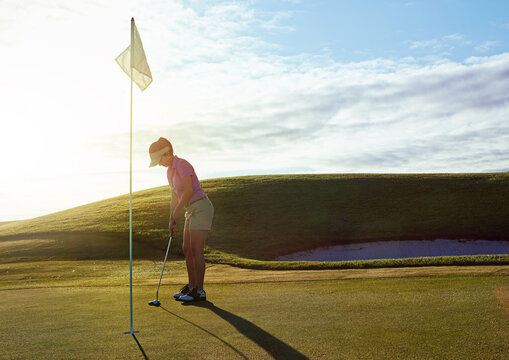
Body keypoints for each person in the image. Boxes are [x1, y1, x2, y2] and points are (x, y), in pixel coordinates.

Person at [149, 137, 214, 302]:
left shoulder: (182, 164)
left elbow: (188, 191)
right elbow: (174, 197)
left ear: (168, 153)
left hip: (201, 207)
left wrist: (178, 211)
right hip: (189, 209)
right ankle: (192, 286)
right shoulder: (169, 172)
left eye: (159, 160)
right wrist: (172, 218)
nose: (159, 164)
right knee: (186, 249)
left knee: (195, 249)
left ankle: (199, 291)